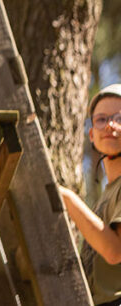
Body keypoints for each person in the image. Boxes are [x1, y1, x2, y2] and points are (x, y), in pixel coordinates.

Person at [60, 84, 121, 305]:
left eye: (119, 118)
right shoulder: (107, 195)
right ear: (92, 135)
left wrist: (68, 199)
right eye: (101, 119)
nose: (110, 125)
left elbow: (114, 251)